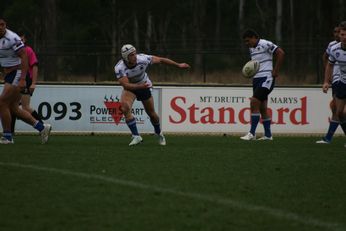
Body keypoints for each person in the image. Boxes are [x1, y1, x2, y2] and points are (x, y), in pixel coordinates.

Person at [114, 44, 190, 146]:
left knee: (152, 114)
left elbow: (161, 60)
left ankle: (159, 133)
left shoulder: (143, 58)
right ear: (125, 58)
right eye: (131, 55)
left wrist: (178, 65)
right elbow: (126, 85)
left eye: (135, 53)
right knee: (124, 107)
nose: (135, 56)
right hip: (131, 87)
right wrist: (139, 87)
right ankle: (136, 136)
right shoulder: (119, 68)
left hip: (144, 85)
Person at [0, 16, 51, 144]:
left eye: (2, 24)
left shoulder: (12, 38)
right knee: (14, 108)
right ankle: (42, 127)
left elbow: (24, 57)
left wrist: (23, 79)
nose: (0, 27)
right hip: (8, 75)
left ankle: (7, 136)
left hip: (16, 73)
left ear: (5, 24)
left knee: (2, 103)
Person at [240, 29, 285, 141]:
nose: (247, 43)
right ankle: (268, 135)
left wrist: (276, 70)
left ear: (255, 37)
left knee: (254, 101)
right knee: (262, 108)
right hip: (257, 79)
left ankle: (252, 133)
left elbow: (281, 53)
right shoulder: (251, 48)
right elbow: (255, 65)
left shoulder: (265, 43)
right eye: (245, 42)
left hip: (267, 78)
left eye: (248, 41)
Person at [11, 31, 45, 134]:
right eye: (18, 39)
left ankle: (43, 127)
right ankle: (9, 133)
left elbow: (34, 66)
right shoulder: (13, 51)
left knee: (24, 107)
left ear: (25, 40)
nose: (20, 41)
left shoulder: (28, 50)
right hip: (16, 80)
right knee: (12, 106)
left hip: (26, 80)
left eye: (22, 39)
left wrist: (33, 82)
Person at [323, 21, 346, 146]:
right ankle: (328, 137)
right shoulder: (334, 48)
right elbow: (329, 64)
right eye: (342, 34)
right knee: (339, 113)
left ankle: (328, 137)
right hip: (342, 81)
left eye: (345, 34)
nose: (344, 37)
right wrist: (326, 81)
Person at [316, 25, 341, 144]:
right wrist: (327, 75)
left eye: (339, 32)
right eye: (335, 32)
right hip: (336, 80)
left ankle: (328, 138)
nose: (337, 34)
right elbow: (325, 57)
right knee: (336, 109)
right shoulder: (332, 46)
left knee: (339, 110)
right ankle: (328, 138)